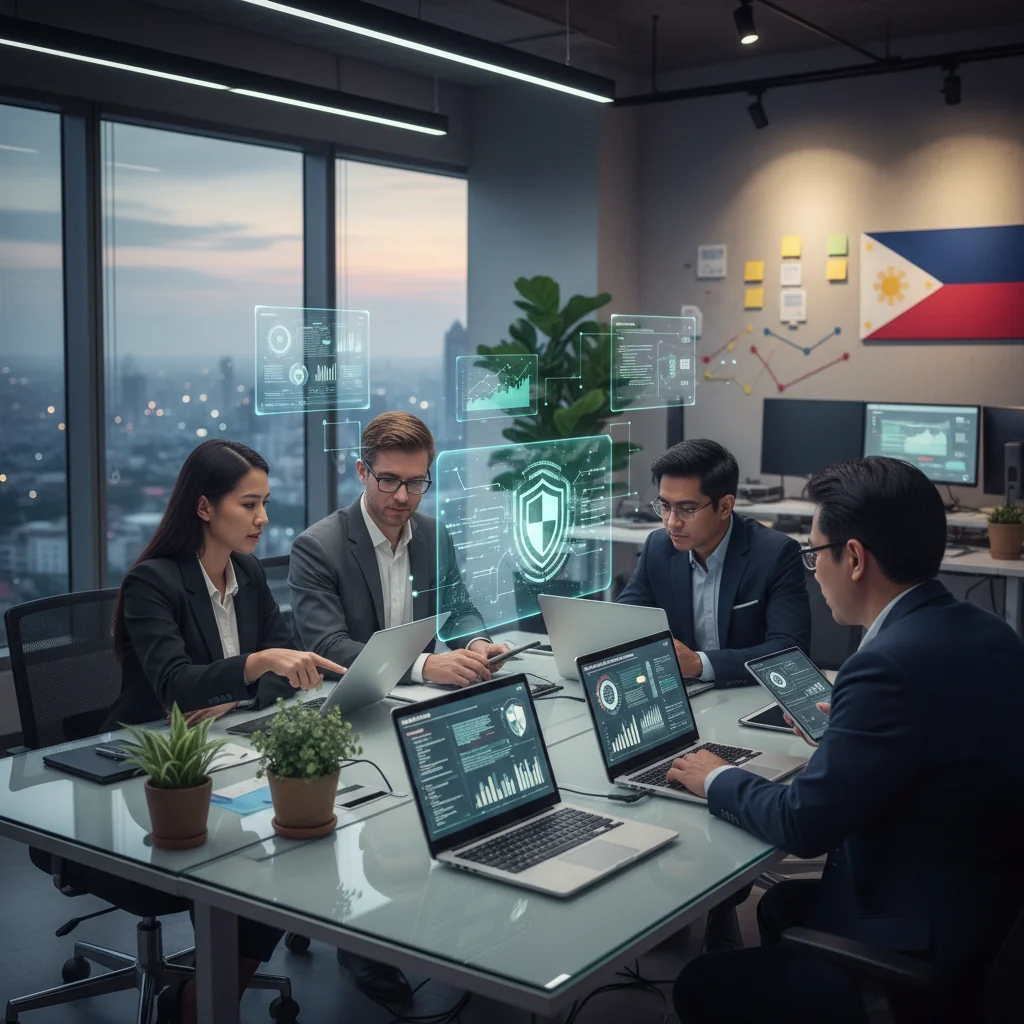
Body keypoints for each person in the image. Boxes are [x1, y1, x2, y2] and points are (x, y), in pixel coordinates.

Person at [669, 456, 1024, 1024]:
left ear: (854, 558)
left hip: (923, 944)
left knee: (698, 983)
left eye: (814, 554)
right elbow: (938, 744)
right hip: (983, 906)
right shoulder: (991, 632)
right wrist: (851, 732)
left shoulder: (883, 666)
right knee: (781, 906)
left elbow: (802, 826)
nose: (812, 571)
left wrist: (716, 777)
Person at [103, 439, 347, 1024]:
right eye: (249, 504)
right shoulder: (153, 583)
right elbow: (175, 686)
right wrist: (254, 665)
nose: (263, 519)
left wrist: (245, 683)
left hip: (231, 751)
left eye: (265, 503)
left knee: (290, 847)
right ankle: (197, 1006)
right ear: (205, 507)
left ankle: (198, 1000)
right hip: (156, 772)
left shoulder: (249, 572)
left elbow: (281, 675)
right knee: (256, 867)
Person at [289, 411, 509, 999]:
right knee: (380, 816)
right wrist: (424, 664)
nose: (403, 496)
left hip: (416, 709)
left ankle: (460, 917)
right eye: (389, 480)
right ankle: (361, 942)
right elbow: (327, 646)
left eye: (416, 482)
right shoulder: (319, 546)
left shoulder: (433, 535)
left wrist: (476, 643)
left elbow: (460, 608)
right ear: (362, 472)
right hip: (348, 715)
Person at [617, 438, 811, 949]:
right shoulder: (659, 547)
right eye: (664, 506)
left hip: (748, 706)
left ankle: (721, 901)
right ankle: (670, 896)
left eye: (686, 509)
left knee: (712, 788)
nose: (671, 522)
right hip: (680, 704)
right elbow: (628, 616)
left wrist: (700, 665)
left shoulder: (773, 553)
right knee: (641, 780)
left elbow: (789, 648)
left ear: (725, 506)